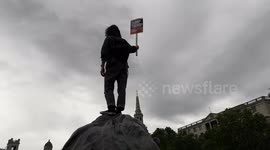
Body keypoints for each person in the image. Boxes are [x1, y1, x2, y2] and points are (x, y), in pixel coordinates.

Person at [100, 25, 139, 115]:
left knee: (108, 87)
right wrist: (136, 47)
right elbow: (130, 49)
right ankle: (120, 107)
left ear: (109, 32)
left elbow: (104, 53)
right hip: (124, 68)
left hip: (112, 66)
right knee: (122, 88)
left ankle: (111, 107)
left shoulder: (108, 39)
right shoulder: (123, 41)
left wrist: (102, 66)